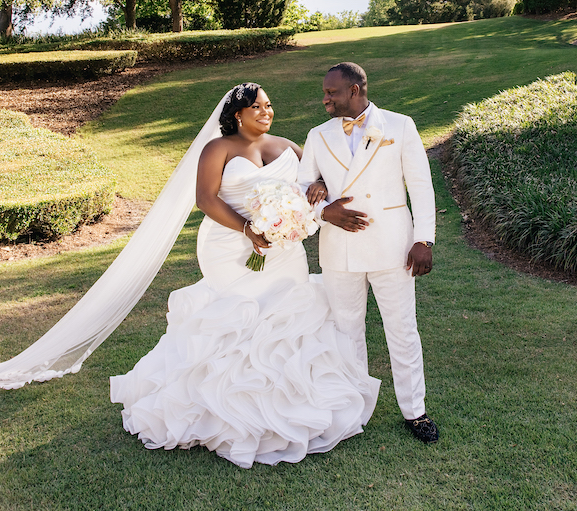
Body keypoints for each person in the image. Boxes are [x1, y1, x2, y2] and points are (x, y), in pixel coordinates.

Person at [109, 82, 378, 468]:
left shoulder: (288, 146)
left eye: (269, 105)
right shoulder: (219, 148)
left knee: (291, 311)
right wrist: (248, 229)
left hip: (284, 248)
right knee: (239, 315)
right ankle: (221, 407)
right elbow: (206, 199)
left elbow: (314, 181)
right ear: (238, 114)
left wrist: (316, 186)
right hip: (228, 245)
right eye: (257, 107)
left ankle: (293, 404)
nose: (266, 112)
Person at [297, 62, 440, 444]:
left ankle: (415, 411)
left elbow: (422, 187)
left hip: (393, 246)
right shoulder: (317, 135)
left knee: (402, 330)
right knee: (346, 331)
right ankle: (354, 410)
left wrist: (424, 240)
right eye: (325, 93)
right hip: (339, 248)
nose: (325, 99)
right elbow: (301, 185)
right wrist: (324, 211)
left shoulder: (400, 125)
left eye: (332, 93)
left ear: (355, 90)